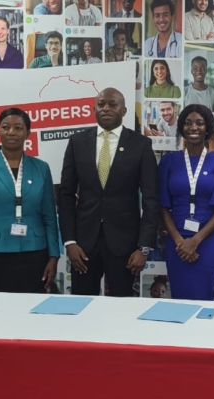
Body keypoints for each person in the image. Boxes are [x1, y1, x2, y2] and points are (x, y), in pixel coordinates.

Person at [58, 88, 159, 297]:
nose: (106, 108)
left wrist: (144, 248)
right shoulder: (77, 142)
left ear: (124, 111)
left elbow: (151, 199)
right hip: (83, 245)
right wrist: (69, 241)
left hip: (125, 245)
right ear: (94, 109)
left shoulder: (140, 145)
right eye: (101, 104)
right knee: (81, 305)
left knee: (121, 308)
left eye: (112, 104)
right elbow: (66, 194)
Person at [0, 108, 61, 293]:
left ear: (28, 133)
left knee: (33, 307)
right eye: (5, 127)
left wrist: (54, 256)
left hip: (35, 254)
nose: (11, 132)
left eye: (18, 128)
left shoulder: (41, 168)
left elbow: (49, 216)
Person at [158, 104, 214, 300]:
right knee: (179, 300)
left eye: (199, 123)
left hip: (208, 242)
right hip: (176, 243)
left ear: (207, 128)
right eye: (188, 123)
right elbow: (162, 206)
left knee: (204, 298)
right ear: (181, 128)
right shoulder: (169, 161)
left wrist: (195, 241)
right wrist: (180, 242)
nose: (193, 127)